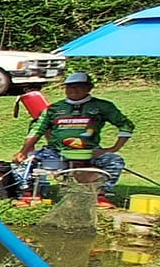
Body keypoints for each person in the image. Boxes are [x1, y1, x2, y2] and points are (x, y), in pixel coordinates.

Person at [18, 70, 135, 205]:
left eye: (78, 86)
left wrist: (114, 148)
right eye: (69, 86)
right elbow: (38, 129)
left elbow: (126, 125)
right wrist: (23, 151)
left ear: (88, 88)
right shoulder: (54, 108)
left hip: (89, 152)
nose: (73, 89)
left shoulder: (102, 106)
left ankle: (101, 196)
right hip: (56, 152)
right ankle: (28, 194)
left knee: (115, 161)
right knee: (24, 162)